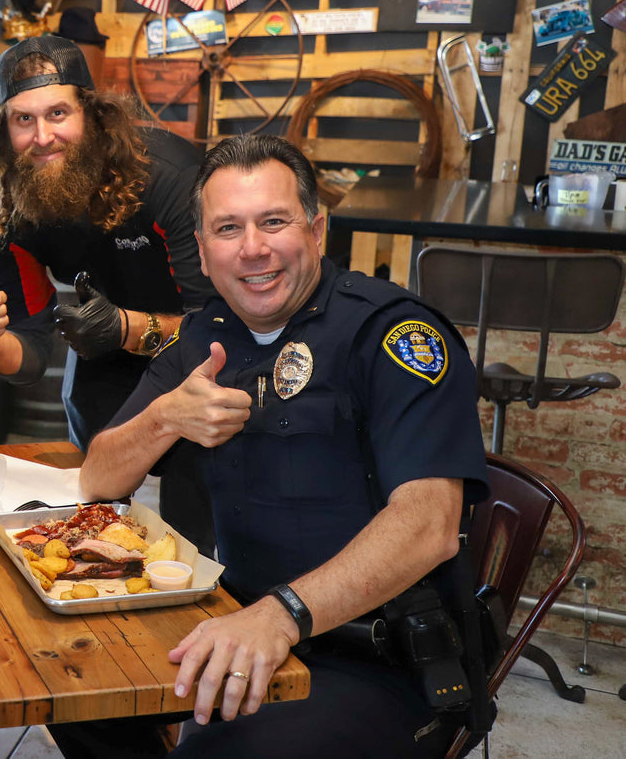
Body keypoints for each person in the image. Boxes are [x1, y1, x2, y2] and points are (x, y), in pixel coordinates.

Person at [72, 135, 488, 757]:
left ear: (318, 230)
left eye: (274, 221)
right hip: (237, 620)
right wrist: (164, 417)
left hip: (377, 657)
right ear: (203, 253)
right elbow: (97, 479)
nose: (254, 249)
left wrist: (281, 614)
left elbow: (429, 525)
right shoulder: (204, 335)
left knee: (222, 753)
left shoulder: (393, 334)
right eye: (228, 229)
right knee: (85, 701)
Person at [0, 35, 215, 552]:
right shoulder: (11, 214)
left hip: (200, 368)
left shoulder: (168, 177)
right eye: (23, 120)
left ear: (93, 115)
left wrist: (126, 328)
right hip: (101, 378)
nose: (42, 136)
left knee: (189, 544)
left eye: (58, 113)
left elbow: (220, 325)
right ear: (3, 133)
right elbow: (29, 356)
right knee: (99, 544)